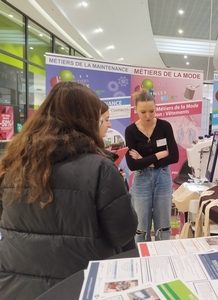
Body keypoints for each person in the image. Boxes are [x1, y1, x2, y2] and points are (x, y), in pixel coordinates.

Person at [0, 81, 138, 300]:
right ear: (87, 121)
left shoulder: (14, 165)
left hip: (15, 289)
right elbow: (123, 232)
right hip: (80, 287)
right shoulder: (100, 169)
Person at [125, 90, 179, 242]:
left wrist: (145, 159)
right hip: (141, 179)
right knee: (141, 226)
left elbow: (174, 156)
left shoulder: (165, 126)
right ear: (135, 110)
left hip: (163, 177)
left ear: (156, 108)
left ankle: (163, 258)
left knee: (163, 225)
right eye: (143, 112)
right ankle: (142, 261)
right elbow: (133, 165)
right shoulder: (131, 131)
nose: (148, 116)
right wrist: (159, 155)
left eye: (152, 111)